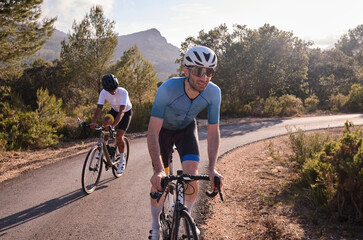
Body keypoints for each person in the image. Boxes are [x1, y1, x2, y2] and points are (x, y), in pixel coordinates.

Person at [147, 46, 224, 240]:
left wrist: (213, 168)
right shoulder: (168, 89)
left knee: (192, 176)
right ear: (186, 71)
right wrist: (158, 170)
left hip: (186, 130)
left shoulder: (214, 93)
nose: (204, 77)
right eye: (199, 71)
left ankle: (185, 214)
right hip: (163, 132)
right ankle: (155, 226)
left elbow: (214, 132)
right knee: (159, 184)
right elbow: (152, 131)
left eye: (209, 72)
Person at [90, 73, 132, 174]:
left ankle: (122, 161)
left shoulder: (123, 92)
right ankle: (107, 148)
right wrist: (93, 122)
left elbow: (122, 111)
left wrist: (113, 126)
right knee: (105, 123)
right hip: (114, 110)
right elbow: (99, 108)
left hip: (125, 112)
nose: (113, 92)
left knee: (119, 136)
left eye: (114, 89)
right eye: (110, 91)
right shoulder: (103, 92)